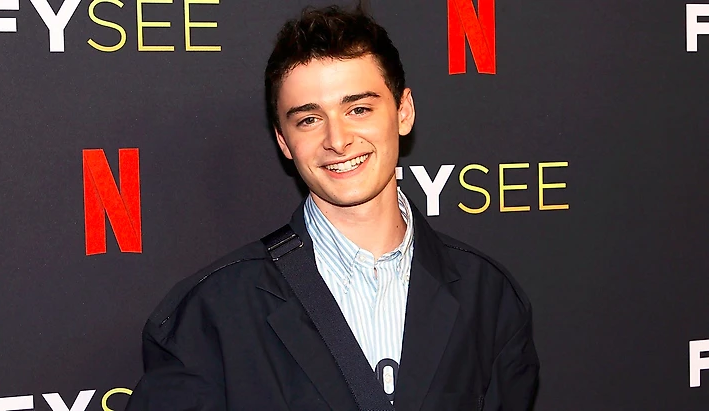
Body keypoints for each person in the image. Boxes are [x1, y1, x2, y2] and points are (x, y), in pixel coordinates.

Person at [126, 4, 539, 411]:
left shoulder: (488, 296)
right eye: (308, 119)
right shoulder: (212, 313)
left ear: (403, 112)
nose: (337, 140)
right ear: (284, 141)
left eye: (358, 109)